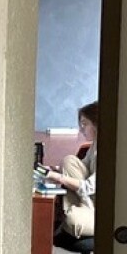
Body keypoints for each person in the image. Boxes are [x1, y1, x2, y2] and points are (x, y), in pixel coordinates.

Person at [45, 101, 97, 240]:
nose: (81, 129)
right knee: (69, 160)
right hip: (89, 200)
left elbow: (88, 187)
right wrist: (54, 169)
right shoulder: (96, 144)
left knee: (72, 220)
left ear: (97, 124)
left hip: (100, 210)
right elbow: (82, 165)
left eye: (84, 124)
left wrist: (59, 177)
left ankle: (72, 214)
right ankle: (74, 210)